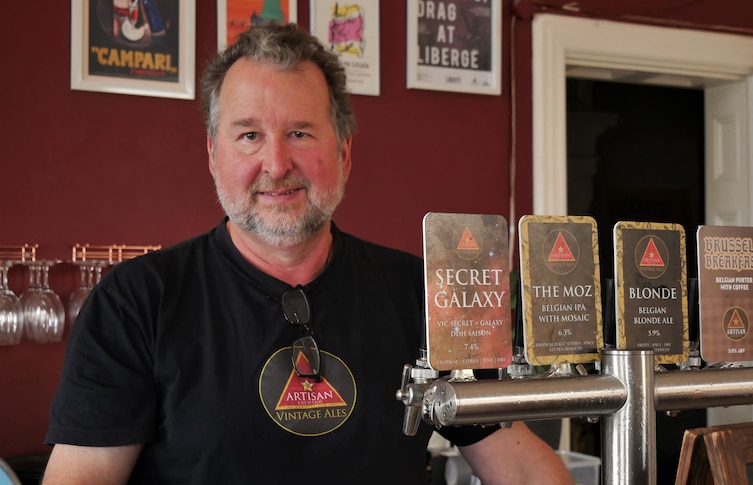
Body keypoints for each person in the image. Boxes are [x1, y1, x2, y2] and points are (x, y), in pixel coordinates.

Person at [42, 23, 575, 484]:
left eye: (300, 133)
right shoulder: (134, 302)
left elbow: (518, 462)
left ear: (343, 152)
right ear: (213, 154)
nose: (276, 164)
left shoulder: (422, 295)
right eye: (249, 135)